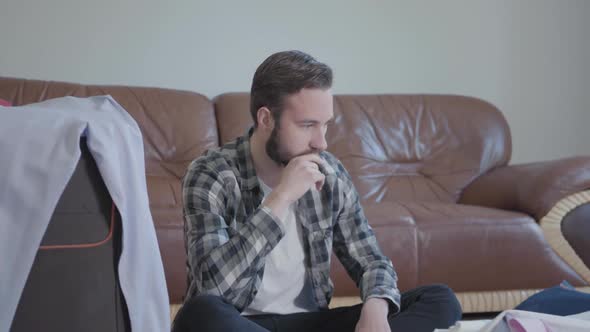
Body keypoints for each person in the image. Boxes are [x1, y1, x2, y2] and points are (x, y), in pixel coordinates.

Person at [173, 50, 462, 332]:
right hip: (239, 320)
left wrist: (376, 308)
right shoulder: (211, 173)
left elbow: (371, 260)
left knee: (440, 301)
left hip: (309, 322)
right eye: (308, 125)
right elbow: (213, 287)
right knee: (199, 314)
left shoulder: (330, 173)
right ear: (265, 119)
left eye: (325, 125)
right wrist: (281, 197)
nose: (321, 143)